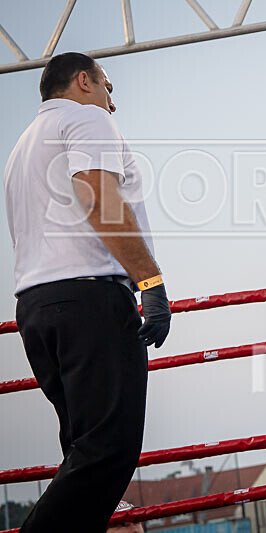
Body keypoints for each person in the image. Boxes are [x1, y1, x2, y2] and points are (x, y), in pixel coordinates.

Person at [4, 52, 171, 531]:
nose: (112, 103)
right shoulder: (86, 118)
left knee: (83, 454)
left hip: (38, 310)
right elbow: (98, 197)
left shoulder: (22, 147)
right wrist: (150, 282)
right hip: (88, 303)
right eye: (107, 88)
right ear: (83, 81)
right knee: (108, 451)